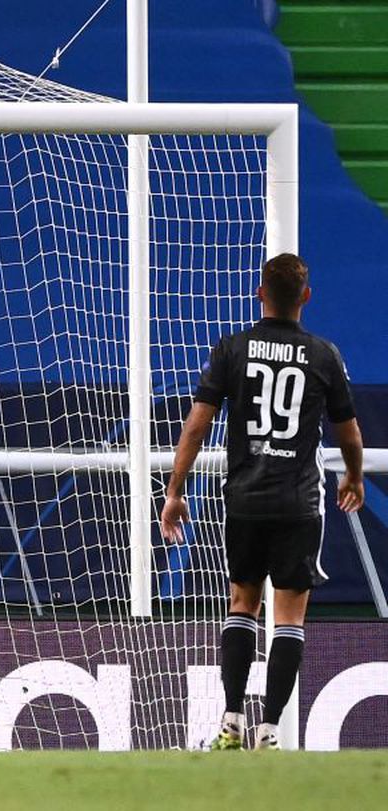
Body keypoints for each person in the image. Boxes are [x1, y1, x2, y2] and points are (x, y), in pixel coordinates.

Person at [159, 252, 364, 751]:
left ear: (259, 295)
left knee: (242, 604)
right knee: (289, 616)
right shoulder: (324, 355)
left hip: (245, 500)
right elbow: (349, 433)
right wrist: (353, 477)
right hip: (298, 502)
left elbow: (197, 424)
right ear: (307, 298)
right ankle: (270, 730)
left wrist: (175, 489)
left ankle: (231, 720)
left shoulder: (232, 350)